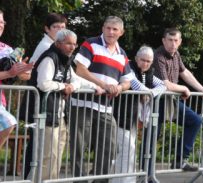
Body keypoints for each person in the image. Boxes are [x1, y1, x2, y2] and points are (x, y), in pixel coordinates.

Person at [24, 29, 102, 180]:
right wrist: (63, 87)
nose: (72, 47)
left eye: (74, 44)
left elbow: (76, 80)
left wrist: (95, 86)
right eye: (68, 44)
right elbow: (43, 84)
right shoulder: (50, 58)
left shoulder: (66, 60)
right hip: (45, 114)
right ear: (58, 44)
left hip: (59, 115)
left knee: (56, 157)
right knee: (46, 157)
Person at [69, 16, 132, 182]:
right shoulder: (91, 43)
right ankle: (80, 181)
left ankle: (99, 180)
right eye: (108, 28)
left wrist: (119, 87)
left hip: (105, 107)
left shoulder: (122, 53)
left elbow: (127, 81)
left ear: (121, 32)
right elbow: (80, 70)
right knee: (79, 148)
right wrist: (103, 84)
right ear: (103, 28)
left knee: (109, 148)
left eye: (115, 29)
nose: (110, 32)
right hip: (82, 103)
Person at [153, 28, 203, 171]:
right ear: (163, 40)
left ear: (180, 42)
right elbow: (164, 84)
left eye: (176, 40)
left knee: (195, 121)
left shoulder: (176, 54)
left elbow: (184, 73)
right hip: (157, 100)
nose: (173, 44)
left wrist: (201, 88)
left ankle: (180, 159)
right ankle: (146, 175)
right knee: (153, 136)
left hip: (171, 100)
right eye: (170, 40)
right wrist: (184, 89)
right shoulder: (158, 55)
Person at [113, 46, 166, 183]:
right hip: (121, 115)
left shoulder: (148, 73)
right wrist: (148, 93)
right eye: (143, 60)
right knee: (128, 149)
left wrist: (149, 94)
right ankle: (127, 180)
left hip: (132, 117)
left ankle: (119, 180)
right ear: (136, 58)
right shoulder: (128, 68)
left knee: (128, 150)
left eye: (149, 61)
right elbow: (137, 86)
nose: (146, 64)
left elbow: (162, 86)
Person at [0, 10, 34, 148]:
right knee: (8, 122)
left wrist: (24, 70)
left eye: (2, 22)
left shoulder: (7, 49)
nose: (0, 25)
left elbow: (22, 74)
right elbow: (9, 73)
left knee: (8, 123)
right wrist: (9, 73)